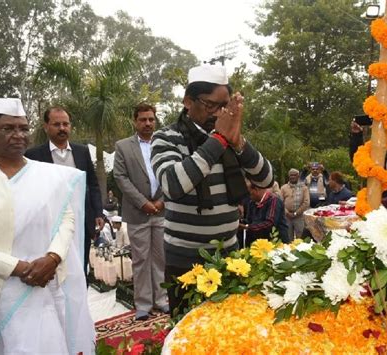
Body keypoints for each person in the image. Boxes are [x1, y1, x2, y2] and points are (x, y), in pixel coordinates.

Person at [0, 98, 95, 354]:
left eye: (23, 128)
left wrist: (52, 258)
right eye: (7, 128)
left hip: (45, 283)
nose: (18, 135)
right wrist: (20, 268)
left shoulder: (47, 174)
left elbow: (66, 218)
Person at [151, 64, 274, 313]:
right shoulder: (166, 138)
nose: (218, 113)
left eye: (224, 106)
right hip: (185, 261)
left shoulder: (229, 138)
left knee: (225, 334)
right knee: (186, 335)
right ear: (188, 101)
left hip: (229, 257)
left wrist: (238, 142)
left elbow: (266, 180)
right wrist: (218, 140)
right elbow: (173, 184)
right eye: (211, 105)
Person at [25, 106, 104, 276]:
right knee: (55, 269)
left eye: (65, 124)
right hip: (50, 222)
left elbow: (93, 183)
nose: (62, 128)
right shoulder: (33, 155)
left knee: (81, 268)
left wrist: (98, 212)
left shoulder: (82, 151)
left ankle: (80, 301)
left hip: (81, 221)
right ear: (46, 127)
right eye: (56, 124)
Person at [113, 102, 168, 321]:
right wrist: (142, 202)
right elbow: (120, 177)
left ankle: (162, 300)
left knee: (161, 259)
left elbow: (172, 172)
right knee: (140, 260)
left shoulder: (165, 145)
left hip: (162, 211)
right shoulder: (123, 146)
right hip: (138, 213)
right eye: (143, 119)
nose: (147, 123)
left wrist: (162, 201)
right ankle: (143, 305)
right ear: (135, 121)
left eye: (151, 119)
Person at [280, 168, 310, 239]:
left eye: (294, 175)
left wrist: (296, 213)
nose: (292, 177)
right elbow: (280, 202)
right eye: (291, 175)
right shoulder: (283, 188)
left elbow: (306, 202)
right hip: (287, 217)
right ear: (289, 176)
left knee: (300, 238)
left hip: (299, 216)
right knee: (288, 237)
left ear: (298, 176)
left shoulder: (304, 188)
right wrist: (287, 213)